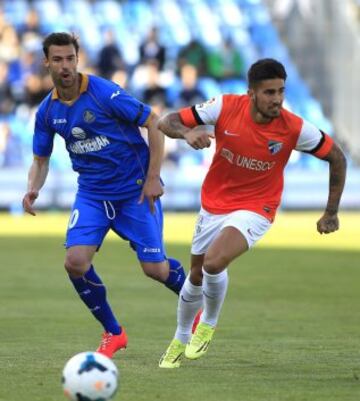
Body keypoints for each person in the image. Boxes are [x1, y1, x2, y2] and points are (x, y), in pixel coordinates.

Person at [158, 58, 347, 368]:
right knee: (194, 276)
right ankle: (179, 339)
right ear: (251, 94)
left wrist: (331, 211)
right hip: (214, 202)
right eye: (269, 92)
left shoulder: (294, 128)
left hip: (257, 206)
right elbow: (167, 121)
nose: (277, 99)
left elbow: (337, 157)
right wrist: (186, 134)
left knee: (214, 263)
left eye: (281, 91)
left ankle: (208, 323)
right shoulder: (223, 107)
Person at [22, 32, 187, 359]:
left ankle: (195, 299)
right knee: (75, 263)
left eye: (70, 58)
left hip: (134, 192)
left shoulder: (104, 93)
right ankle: (114, 332)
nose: (65, 65)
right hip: (93, 195)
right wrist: (33, 188)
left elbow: (153, 123)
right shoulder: (46, 111)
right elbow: (40, 159)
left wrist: (153, 177)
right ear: (47, 63)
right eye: (57, 59)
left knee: (155, 270)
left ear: (77, 59)